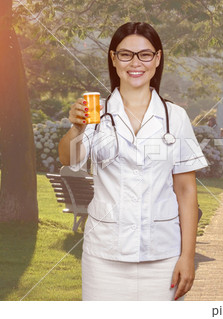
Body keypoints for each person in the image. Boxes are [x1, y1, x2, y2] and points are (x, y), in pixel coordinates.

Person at [58, 22, 207, 301]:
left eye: (145, 55)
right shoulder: (95, 113)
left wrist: (187, 256)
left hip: (163, 256)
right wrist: (76, 129)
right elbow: (70, 159)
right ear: (114, 59)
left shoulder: (175, 117)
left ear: (157, 59)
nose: (135, 63)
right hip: (104, 257)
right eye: (126, 55)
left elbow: (186, 191)